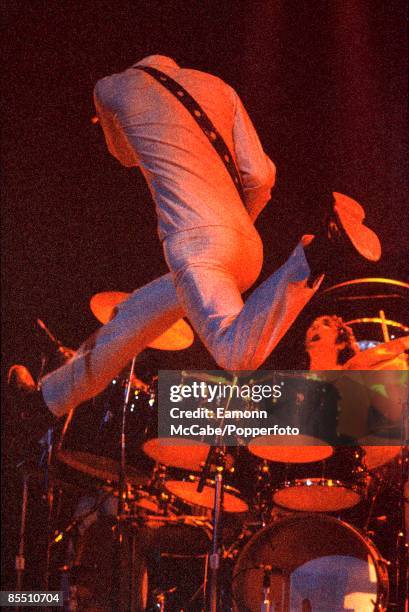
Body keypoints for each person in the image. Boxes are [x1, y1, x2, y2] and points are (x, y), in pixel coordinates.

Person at [9, 55, 381, 427]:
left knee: (236, 355)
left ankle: (316, 255)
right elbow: (262, 176)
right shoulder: (218, 86)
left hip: (196, 244)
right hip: (245, 242)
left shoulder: (110, 86)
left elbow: (123, 156)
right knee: (132, 316)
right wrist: (229, 226)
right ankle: (44, 402)